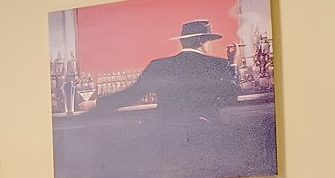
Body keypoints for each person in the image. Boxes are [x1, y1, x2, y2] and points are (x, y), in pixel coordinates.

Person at [88, 20, 241, 120]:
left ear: (182, 42)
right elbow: (232, 97)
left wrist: (96, 103)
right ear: (202, 42)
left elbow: (131, 95)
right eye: (209, 41)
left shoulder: (158, 66)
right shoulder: (219, 65)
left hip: (169, 137)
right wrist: (232, 64)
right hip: (207, 136)